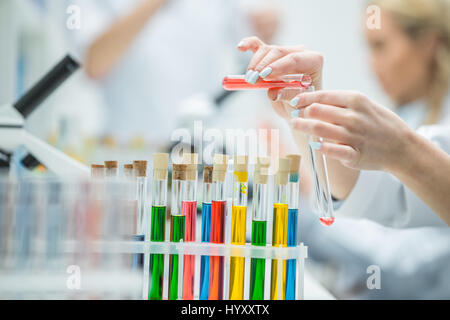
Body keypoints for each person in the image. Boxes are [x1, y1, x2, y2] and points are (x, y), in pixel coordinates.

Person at [238, 0, 450, 228]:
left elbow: (398, 248)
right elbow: (380, 195)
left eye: (380, 46)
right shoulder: (409, 115)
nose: (371, 64)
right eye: (368, 47)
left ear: (427, 44)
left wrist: (401, 149)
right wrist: (304, 113)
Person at [69, 0, 280, 149]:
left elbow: (251, 43)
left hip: (201, 151)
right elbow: (93, 63)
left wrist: (264, 26)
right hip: (129, 151)